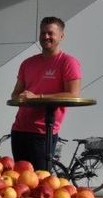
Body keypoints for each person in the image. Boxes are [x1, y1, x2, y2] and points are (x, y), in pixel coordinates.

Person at [10, 16, 82, 170]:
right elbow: (15, 94)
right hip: (19, 129)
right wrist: (19, 97)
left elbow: (73, 94)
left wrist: (38, 97)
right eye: (43, 33)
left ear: (61, 36)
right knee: (20, 182)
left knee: (41, 183)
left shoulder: (68, 62)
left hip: (44, 132)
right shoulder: (28, 63)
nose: (45, 37)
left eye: (50, 33)